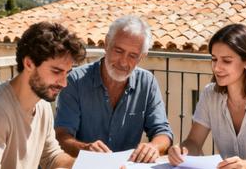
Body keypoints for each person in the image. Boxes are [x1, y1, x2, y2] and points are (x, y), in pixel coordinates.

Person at [54, 15, 172, 163]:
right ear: (106, 44)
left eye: (132, 55)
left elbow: (162, 132)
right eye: (118, 51)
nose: (123, 62)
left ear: (142, 57)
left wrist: (154, 147)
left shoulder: (147, 82)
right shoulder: (75, 81)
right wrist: (86, 149)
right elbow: (61, 136)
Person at [0, 21, 85, 169]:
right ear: (29, 63)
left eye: (67, 73)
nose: (64, 83)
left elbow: (52, 157)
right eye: (56, 71)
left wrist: (94, 164)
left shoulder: (42, 106)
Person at [168, 23, 246, 168]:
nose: (217, 67)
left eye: (226, 60)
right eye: (214, 59)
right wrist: (181, 151)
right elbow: (194, 141)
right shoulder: (210, 94)